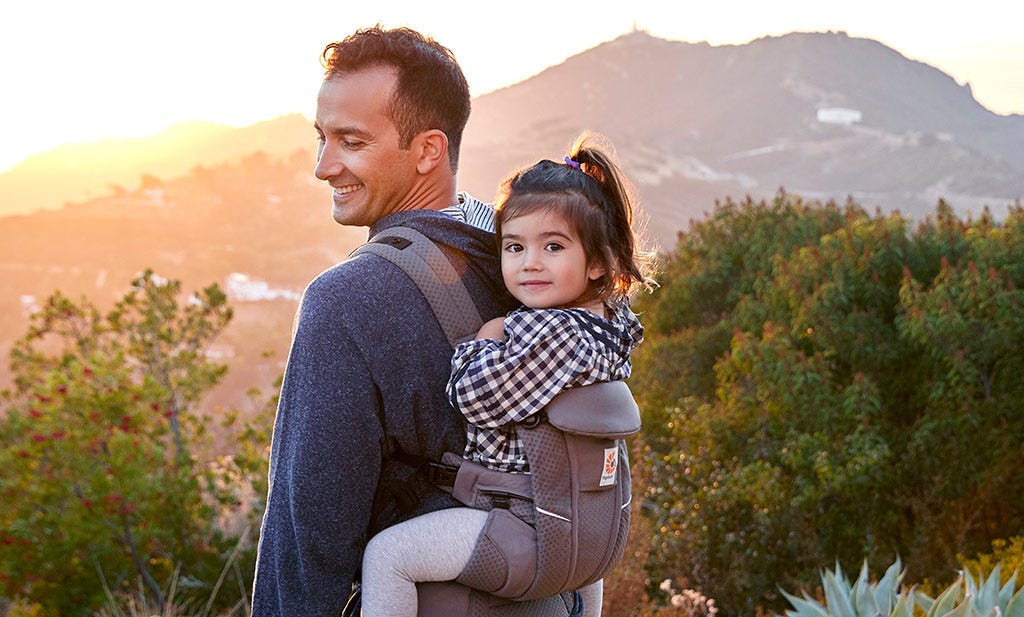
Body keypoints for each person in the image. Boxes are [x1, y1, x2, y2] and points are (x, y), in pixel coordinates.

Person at [250, 26, 521, 615]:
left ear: (428, 150)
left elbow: (307, 539)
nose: (324, 167)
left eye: (351, 141)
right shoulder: (523, 260)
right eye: (321, 138)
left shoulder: (348, 301)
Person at [359, 132, 654, 617]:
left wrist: (485, 340)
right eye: (514, 247)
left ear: (598, 262)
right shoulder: (610, 323)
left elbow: (476, 397)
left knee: (388, 556)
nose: (529, 263)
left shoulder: (552, 335)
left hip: (524, 527)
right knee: (581, 577)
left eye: (553, 247)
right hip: (590, 537)